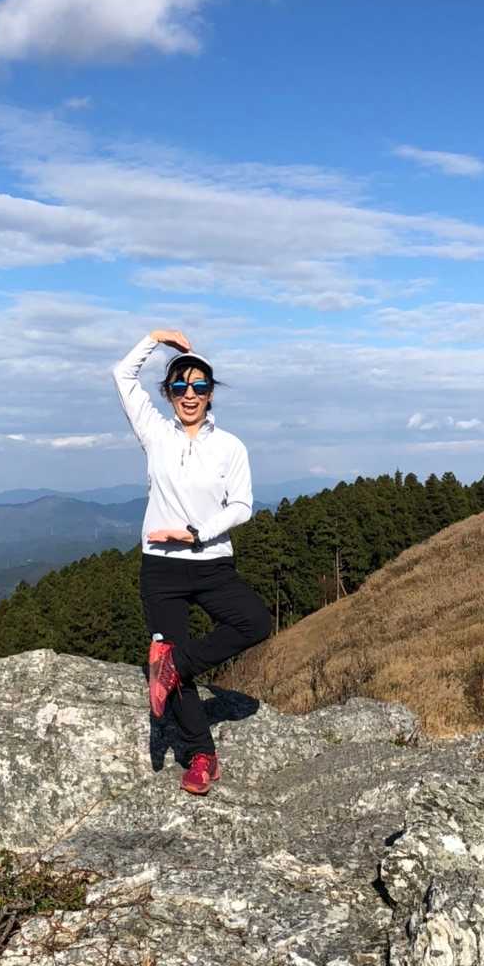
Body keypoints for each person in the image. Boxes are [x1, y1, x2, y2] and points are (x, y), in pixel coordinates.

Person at [112, 329, 272, 795]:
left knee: (254, 623)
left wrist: (197, 532)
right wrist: (156, 338)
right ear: (168, 393)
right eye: (179, 385)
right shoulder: (155, 433)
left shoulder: (230, 447)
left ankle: (173, 666)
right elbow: (122, 375)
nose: (189, 393)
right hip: (161, 568)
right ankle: (202, 756)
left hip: (211, 561)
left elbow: (241, 506)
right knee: (170, 648)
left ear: (210, 393)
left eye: (199, 385)